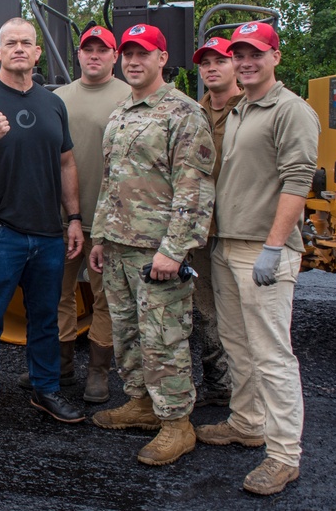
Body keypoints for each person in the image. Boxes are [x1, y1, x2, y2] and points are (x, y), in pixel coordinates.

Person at [0, 17, 86, 438]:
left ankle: (45, 390)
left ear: (37, 52)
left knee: (45, 319)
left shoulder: (53, 103)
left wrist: (74, 217)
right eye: (11, 43)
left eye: (27, 42)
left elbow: (66, 163)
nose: (20, 49)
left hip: (47, 234)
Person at [196, 22, 319, 496]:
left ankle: (284, 454)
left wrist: (274, 246)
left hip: (261, 250)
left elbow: (296, 179)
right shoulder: (244, 106)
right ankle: (247, 423)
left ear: (275, 57)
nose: (246, 62)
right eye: (240, 54)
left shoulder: (291, 110)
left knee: (272, 355)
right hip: (228, 244)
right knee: (236, 343)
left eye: (255, 54)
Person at [88, 23, 215, 466]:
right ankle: (141, 404)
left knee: (164, 337)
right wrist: (101, 236)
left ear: (163, 58)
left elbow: (193, 189)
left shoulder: (183, 112)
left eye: (144, 53)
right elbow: (111, 180)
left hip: (157, 250)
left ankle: (177, 424)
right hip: (120, 245)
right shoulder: (123, 110)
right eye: (128, 54)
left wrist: (174, 250)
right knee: (127, 333)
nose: (134, 61)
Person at [49, 25, 131, 403]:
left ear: (115, 56)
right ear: (78, 55)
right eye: (87, 49)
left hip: (109, 221)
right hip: (62, 218)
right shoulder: (57, 98)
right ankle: (60, 365)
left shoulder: (130, 96)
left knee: (106, 298)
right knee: (57, 293)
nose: (94, 55)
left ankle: (98, 372)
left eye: (103, 49)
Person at [190, 36, 244, 408]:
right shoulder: (193, 112)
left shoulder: (254, 109)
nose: (211, 68)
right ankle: (218, 385)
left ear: (236, 65)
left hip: (243, 228)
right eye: (205, 62)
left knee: (243, 314)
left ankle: (249, 395)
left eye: (220, 61)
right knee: (205, 311)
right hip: (203, 228)